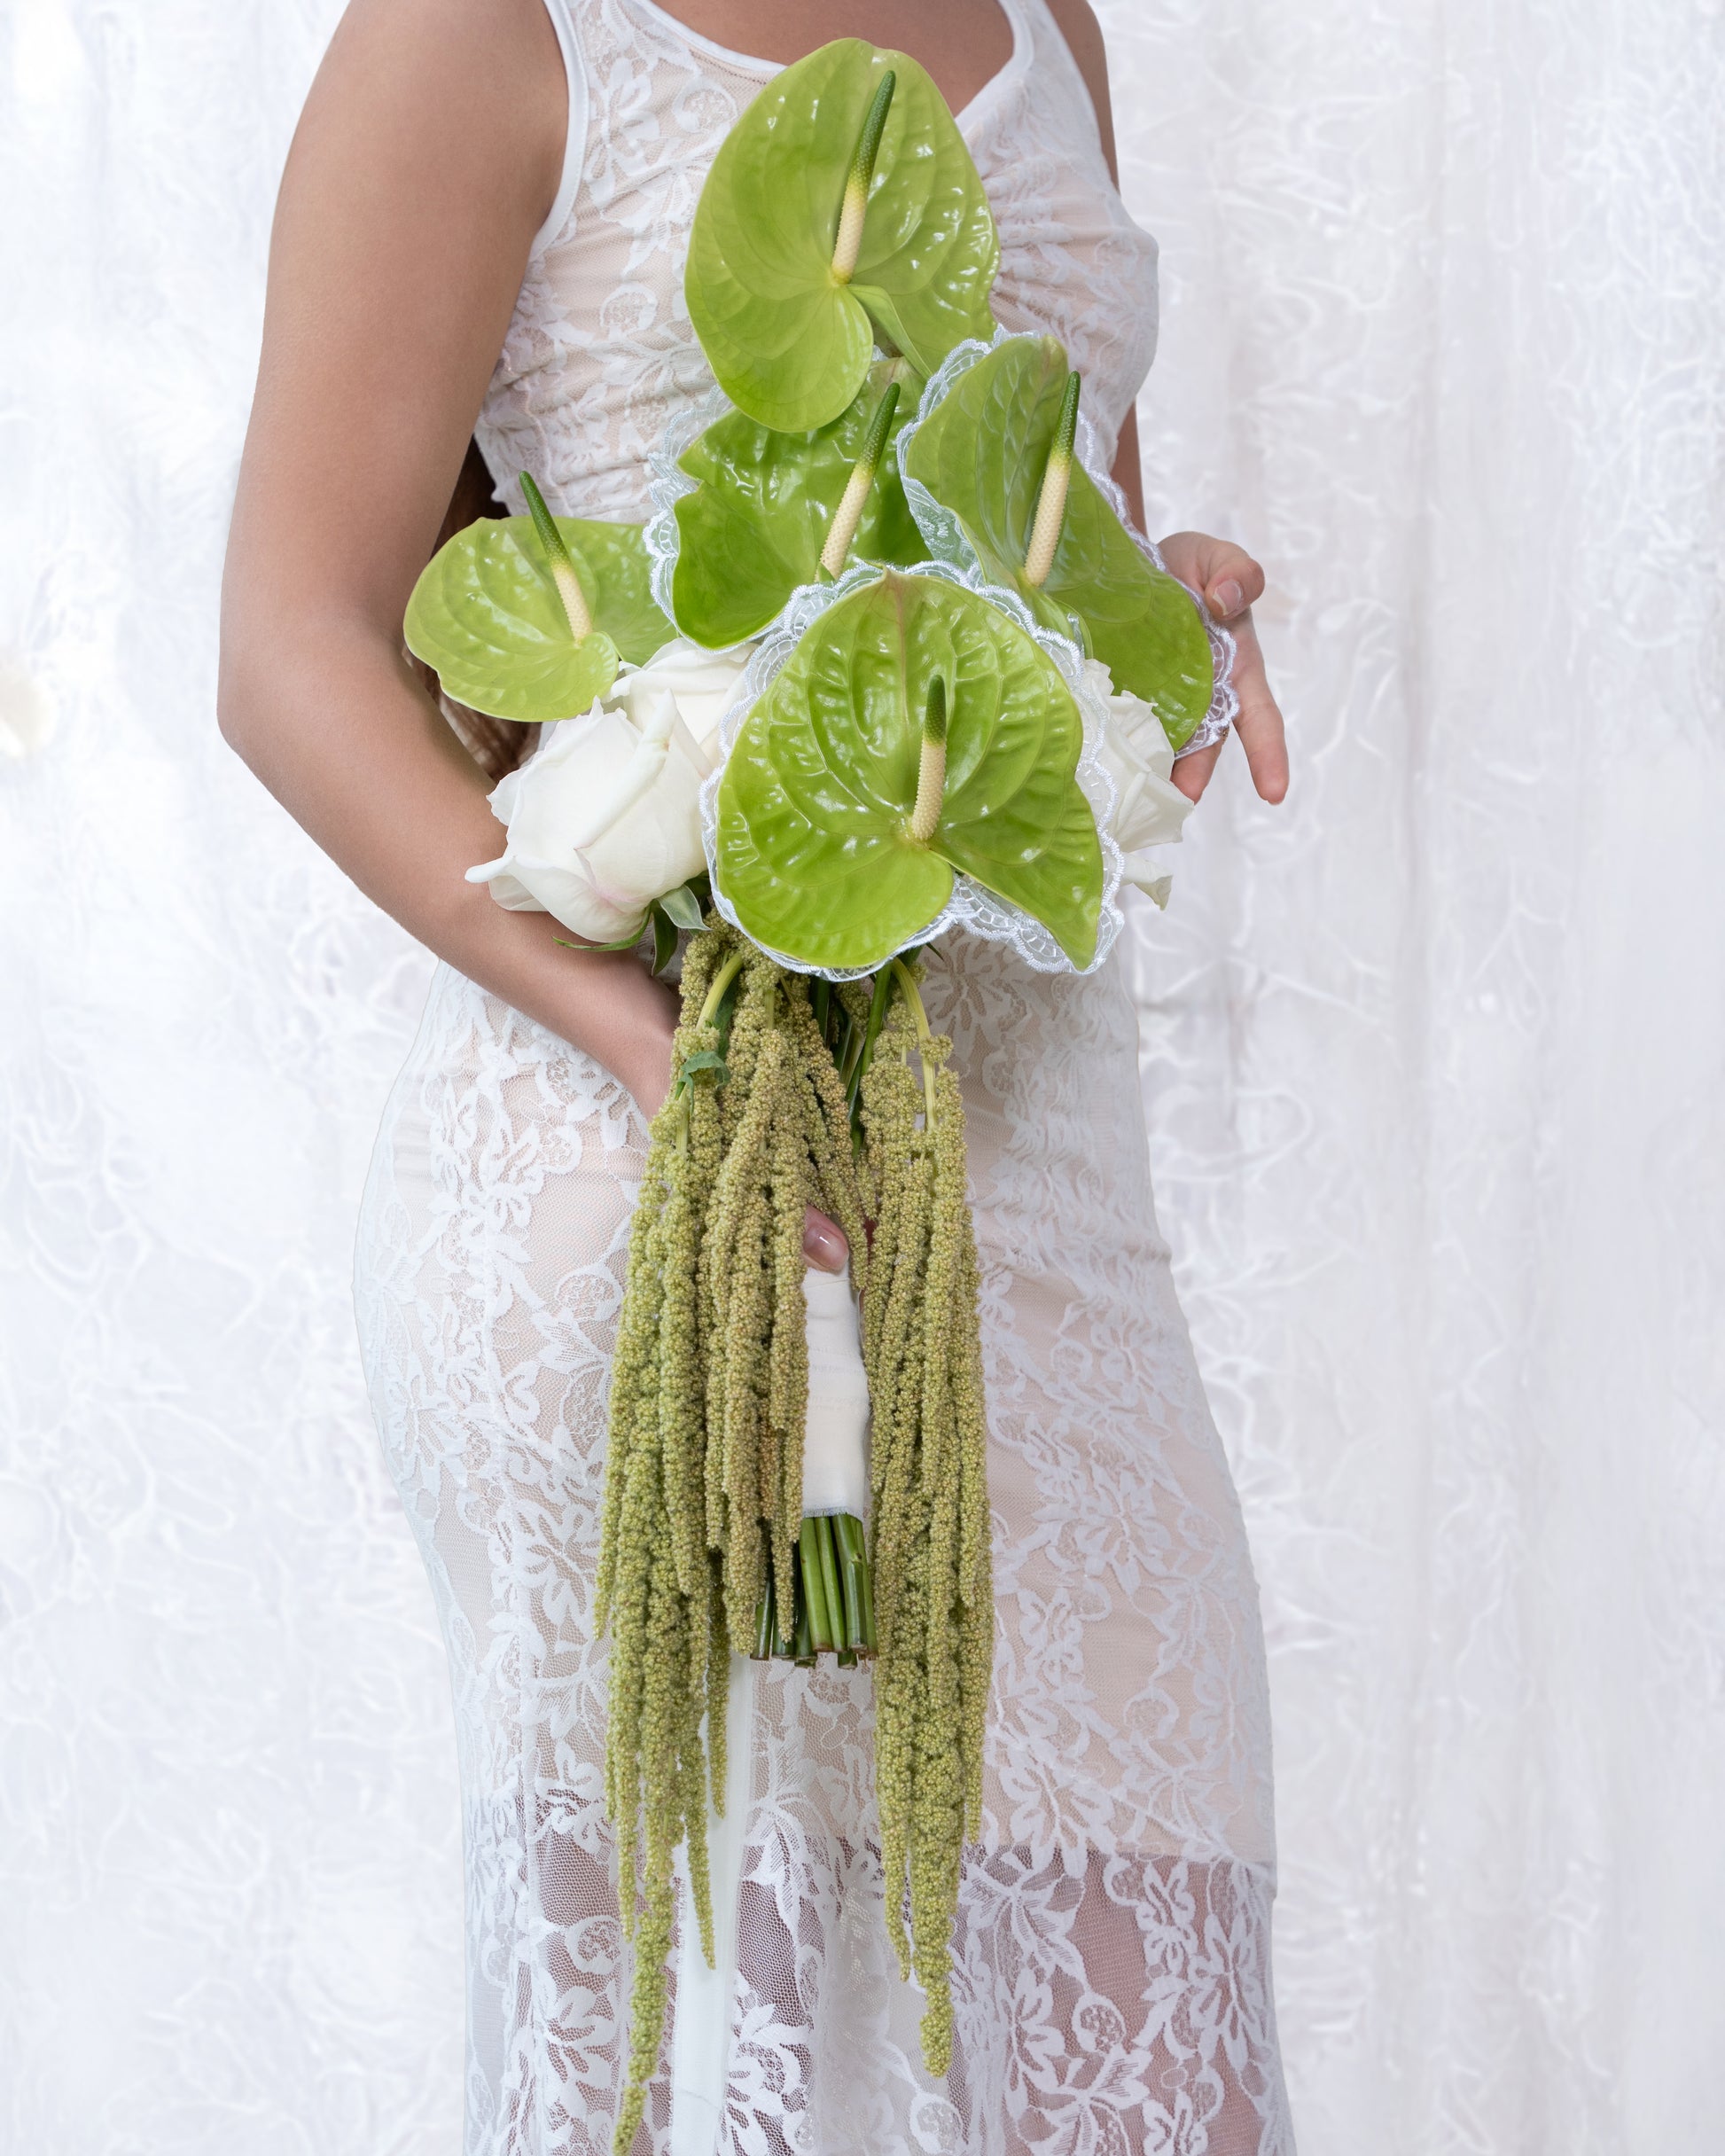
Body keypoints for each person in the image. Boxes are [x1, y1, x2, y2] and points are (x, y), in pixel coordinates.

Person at [219, 3, 1295, 2150]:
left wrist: (1157, 620)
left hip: (1032, 1174)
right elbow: (288, 645)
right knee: (730, 2036)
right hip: (666, 1167)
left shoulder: (1049, 25)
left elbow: (1034, 552)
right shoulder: (486, 30)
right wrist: (657, 1042)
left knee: (1144, 2043)